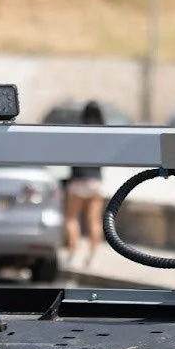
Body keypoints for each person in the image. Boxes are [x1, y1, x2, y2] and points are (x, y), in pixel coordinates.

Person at [64, 101, 107, 266]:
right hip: (94, 182)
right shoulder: (103, 133)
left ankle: (73, 254)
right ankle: (93, 256)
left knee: (72, 219)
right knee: (94, 221)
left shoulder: (77, 131)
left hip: (77, 181)